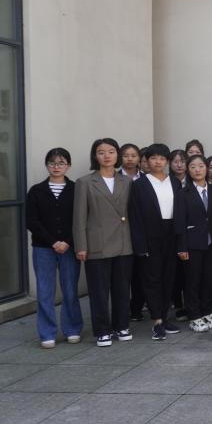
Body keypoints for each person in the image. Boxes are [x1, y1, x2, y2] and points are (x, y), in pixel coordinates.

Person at [73, 138, 134, 347]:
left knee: (122, 289)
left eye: (111, 151)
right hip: (97, 243)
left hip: (124, 242)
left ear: (117, 155)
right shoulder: (85, 182)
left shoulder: (127, 181)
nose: (106, 156)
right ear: (95, 156)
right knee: (99, 291)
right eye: (101, 152)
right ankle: (102, 330)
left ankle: (121, 325)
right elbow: (79, 217)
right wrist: (81, 245)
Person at [129, 144, 186, 341]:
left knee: (168, 278)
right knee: (152, 279)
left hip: (171, 235)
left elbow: (181, 212)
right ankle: (157, 321)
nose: (158, 162)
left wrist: (181, 241)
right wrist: (140, 244)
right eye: (153, 158)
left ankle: (165, 316)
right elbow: (135, 216)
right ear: (146, 161)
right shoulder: (139, 185)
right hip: (150, 236)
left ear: (167, 161)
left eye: (162, 158)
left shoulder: (175, 182)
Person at [27, 148, 83, 348]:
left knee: (70, 290)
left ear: (68, 165)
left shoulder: (76, 189)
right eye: (52, 163)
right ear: (47, 165)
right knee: (45, 291)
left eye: (61, 163)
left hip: (70, 247)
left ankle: (72, 329)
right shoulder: (36, 191)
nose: (56, 167)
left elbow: (80, 219)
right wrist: (53, 242)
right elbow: (32, 221)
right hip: (43, 248)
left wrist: (67, 241)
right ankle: (47, 333)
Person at [176, 154, 212, 333]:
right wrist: (181, 247)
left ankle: (206, 312)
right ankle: (194, 316)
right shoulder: (183, 193)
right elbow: (179, 221)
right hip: (192, 243)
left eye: (201, 166)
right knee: (193, 281)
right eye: (193, 166)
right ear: (188, 170)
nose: (197, 170)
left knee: (208, 280)